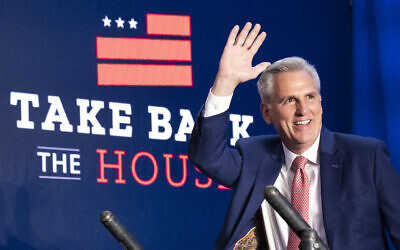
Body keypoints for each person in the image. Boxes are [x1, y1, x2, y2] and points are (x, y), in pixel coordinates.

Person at [188, 22, 400, 249]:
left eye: (309, 97)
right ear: (267, 113)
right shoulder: (254, 158)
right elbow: (207, 157)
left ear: (321, 102)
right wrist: (225, 82)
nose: (303, 110)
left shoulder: (367, 156)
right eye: (290, 100)